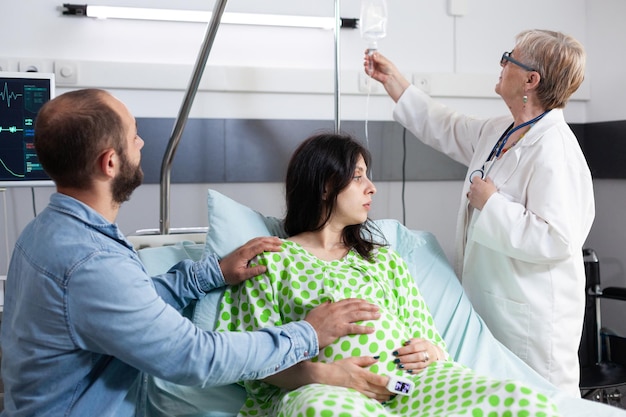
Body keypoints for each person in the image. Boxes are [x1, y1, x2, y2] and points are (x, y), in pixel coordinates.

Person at [0, 89, 382, 417]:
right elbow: (194, 357)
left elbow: (130, 304)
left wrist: (210, 274)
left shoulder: (45, 233)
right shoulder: (90, 262)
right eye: (134, 137)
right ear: (110, 163)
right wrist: (308, 334)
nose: (142, 143)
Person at [215, 132, 563, 416]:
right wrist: (326, 375)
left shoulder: (383, 259)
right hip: (326, 392)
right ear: (324, 187)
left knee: (521, 400)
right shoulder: (273, 260)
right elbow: (250, 359)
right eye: (358, 177)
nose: (372, 188)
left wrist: (430, 352)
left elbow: (432, 341)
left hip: (411, 387)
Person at [363, 29, 595, 396]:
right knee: (492, 400)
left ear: (531, 80)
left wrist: (492, 204)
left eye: (510, 58)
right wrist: (394, 81)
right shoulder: (503, 130)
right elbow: (446, 125)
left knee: (536, 403)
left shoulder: (556, 149)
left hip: (530, 322)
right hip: (490, 306)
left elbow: (558, 239)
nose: (502, 64)